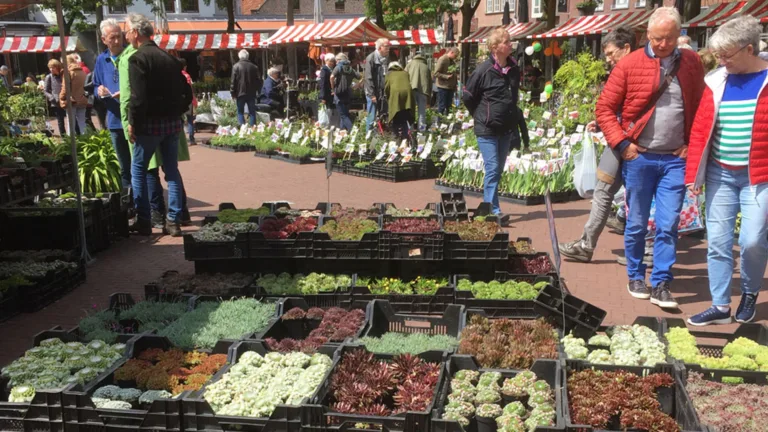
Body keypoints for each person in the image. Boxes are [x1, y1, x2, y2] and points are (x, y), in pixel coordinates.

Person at [595, 7, 705, 309]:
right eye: (656, 38)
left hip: (674, 159)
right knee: (637, 222)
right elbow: (604, 108)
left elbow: (701, 106)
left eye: (669, 38)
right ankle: (635, 276)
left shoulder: (692, 63)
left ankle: (661, 282)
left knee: (668, 223)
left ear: (679, 35)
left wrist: (690, 145)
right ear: (647, 34)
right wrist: (623, 145)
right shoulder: (629, 64)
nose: (662, 44)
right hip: (639, 157)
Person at [685, 16, 768, 326]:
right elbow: (701, 129)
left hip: (758, 176)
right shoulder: (716, 81)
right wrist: (694, 173)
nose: (720, 61)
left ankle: (749, 292)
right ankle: (719, 306)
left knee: (752, 240)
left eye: (726, 55)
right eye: (718, 55)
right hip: (721, 173)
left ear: (749, 49)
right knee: (718, 242)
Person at [559, 26, 637, 263]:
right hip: (619, 140)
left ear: (626, 48)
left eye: (611, 52)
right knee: (605, 192)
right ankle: (586, 244)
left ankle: (637, 249)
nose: (608, 58)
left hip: (634, 144)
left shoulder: (637, 69)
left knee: (636, 195)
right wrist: (605, 124)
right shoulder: (623, 70)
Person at [119, 15, 191, 232]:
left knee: (138, 170)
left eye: (127, 31)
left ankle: (144, 220)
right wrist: (176, 111)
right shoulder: (168, 58)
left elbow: (137, 98)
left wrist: (133, 123)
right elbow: (186, 92)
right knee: (172, 171)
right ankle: (174, 220)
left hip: (149, 124)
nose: (126, 35)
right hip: (171, 123)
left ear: (136, 32)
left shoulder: (137, 59)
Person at [462, 27, 521, 217]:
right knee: (493, 168)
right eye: (506, 42)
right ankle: (491, 210)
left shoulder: (514, 69)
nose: (510, 44)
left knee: (498, 170)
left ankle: (490, 207)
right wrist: (480, 115)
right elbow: (467, 95)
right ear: (495, 47)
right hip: (486, 128)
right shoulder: (483, 70)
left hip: (505, 129)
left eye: (509, 41)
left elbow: (513, 97)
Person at [93, 18, 130, 189]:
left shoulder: (130, 55)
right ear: (104, 40)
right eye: (112, 37)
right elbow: (94, 85)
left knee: (141, 167)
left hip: (133, 120)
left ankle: (147, 205)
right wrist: (99, 92)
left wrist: (126, 93)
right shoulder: (101, 60)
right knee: (124, 167)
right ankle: (129, 203)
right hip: (114, 121)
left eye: (119, 36)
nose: (117, 41)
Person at [364, 38, 390, 132]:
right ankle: (368, 137)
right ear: (379, 48)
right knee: (372, 115)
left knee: (383, 114)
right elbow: (368, 77)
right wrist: (372, 94)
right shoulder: (371, 58)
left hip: (382, 92)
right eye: (386, 46)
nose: (388, 48)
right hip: (373, 93)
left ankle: (380, 136)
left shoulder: (387, 58)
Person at [384, 62, 414, 140]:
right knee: (404, 113)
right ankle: (405, 135)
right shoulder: (405, 73)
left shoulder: (389, 74)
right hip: (407, 94)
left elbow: (387, 87)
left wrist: (388, 97)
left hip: (396, 93)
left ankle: (395, 134)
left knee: (395, 113)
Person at [331, 52, 361, 131]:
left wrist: (332, 87)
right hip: (347, 93)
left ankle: (352, 131)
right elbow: (362, 77)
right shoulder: (350, 69)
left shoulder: (338, 67)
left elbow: (331, 76)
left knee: (343, 115)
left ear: (340, 60)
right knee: (344, 114)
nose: (336, 62)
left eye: (336, 60)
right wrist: (358, 85)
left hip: (339, 94)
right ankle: (342, 133)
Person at [230, 49, 261, 126]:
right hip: (251, 93)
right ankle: (252, 128)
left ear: (239, 56)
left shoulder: (236, 66)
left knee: (240, 112)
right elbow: (258, 81)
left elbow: (233, 82)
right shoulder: (254, 67)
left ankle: (243, 129)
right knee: (252, 112)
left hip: (240, 92)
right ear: (248, 56)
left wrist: (232, 93)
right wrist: (257, 91)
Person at [60, 54, 88, 135]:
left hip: (72, 100)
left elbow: (65, 88)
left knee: (70, 123)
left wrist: (61, 97)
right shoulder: (82, 71)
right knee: (82, 122)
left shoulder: (68, 72)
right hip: (82, 99)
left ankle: (71, 143)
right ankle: (86, 140)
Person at [405, 50, 431, 131]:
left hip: (411, 89)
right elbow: (430, 82)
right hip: (423, 90)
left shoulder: (409, 64)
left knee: (410, 111)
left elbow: (404, 76)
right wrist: (429, 97)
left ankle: (411, 130)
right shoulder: (426, 66)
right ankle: (422, 130)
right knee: (422, 111)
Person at [44, 60, 67, 135]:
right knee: (60, 120)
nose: (51, 69)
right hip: (56, 102)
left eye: (53, 67)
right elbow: (45, 91)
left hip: (66, 99)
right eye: (50, 68)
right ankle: (64, 137)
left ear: (57, 67)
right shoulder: (49, 77)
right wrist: (52, 98)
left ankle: (76, 135)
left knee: (72, 118)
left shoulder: (63, 75)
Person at [435, 47, 459, 115]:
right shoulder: (442, 59)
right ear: (451, 52)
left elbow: (454, 74)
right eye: (455, 56)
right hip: (443, 86)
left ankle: (447, 121)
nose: (455, 58)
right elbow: (436, 73)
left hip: (450, 87)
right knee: (442, 105)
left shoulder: (452, 61)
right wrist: (446, 76)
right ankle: (440, 122)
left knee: (449, 106)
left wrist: (455, 85)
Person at [180, 59, 197, 145]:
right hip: (188, 100)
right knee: (190, 119)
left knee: (180, 121)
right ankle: (191, 139)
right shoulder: (187, 76)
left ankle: (181, 140)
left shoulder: (176, 74)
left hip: (179, 100)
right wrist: (194, 100)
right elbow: (190, 89)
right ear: (185, 66)